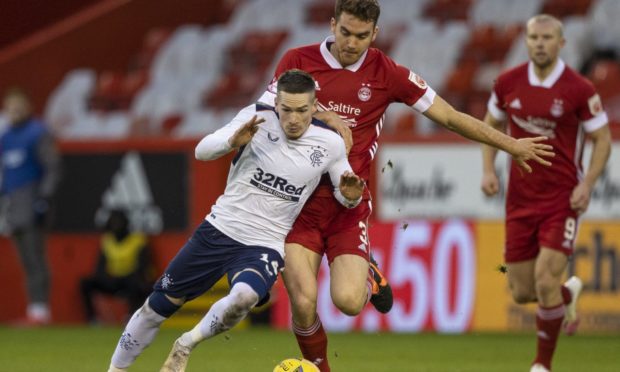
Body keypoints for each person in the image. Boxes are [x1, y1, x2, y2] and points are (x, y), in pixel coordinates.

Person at [257, 1, 555, 370]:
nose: (351, 43)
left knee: (349, 302)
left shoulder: (387, 73)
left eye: (362, 36)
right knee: (302, 302)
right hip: (296, 204)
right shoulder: (296, 60)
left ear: (375, 34)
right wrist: (320, 115)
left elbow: (449, 116)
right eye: (345, 32)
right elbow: (264, 115)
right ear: (333, 25)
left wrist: (511, 145)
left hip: (345, 206)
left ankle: (367, 270)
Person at [106, 69, 365, 372]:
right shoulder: (256, 118)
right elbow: (202, 151)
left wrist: (351, 195)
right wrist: (231, 140)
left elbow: (346, 195)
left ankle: (186, 344)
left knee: (245, 296)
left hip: (264, 244)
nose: (293, 119)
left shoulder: (330, 144)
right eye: (287, 110)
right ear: (276, 104)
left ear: (314, 106)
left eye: (302, 110)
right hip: (219, 230)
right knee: (156, 308)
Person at [480, 14, 611, 372]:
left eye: (547, 37)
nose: (539, 43)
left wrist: (588, 184)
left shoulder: (578, 88)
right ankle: (567, 293)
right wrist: (488, 169)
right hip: (519, 200)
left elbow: (602, 140)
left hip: (562, 199)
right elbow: (490, 126)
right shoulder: (507, 82)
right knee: (523, 292)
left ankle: (542, 365)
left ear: (561, 43)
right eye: (533, 37)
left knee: (544, 277)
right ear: (526, 41)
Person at [0, 88, 61, 325]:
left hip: (32, 199)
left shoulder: (38, 133)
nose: (14, 112)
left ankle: (40, 310)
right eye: (9, 107)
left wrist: (44, 197)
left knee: (35, 256)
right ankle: (35, 308)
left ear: (28, 108)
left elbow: (53, 167)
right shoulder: (5, 137)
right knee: (24, 258)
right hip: (12, 204)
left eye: (18, 107)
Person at [80, 209, 152, 324]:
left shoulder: (137, 239)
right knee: (86, 283)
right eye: (113, 222)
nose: (116, 226)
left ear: (126, 224)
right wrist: (106, 278)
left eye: (119, 222)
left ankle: (131, 318)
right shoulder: (107, 239)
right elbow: (100, 267)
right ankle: (93, 319)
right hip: (112, 280)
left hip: (131, 279)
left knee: (137, 283)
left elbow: (143, 267)